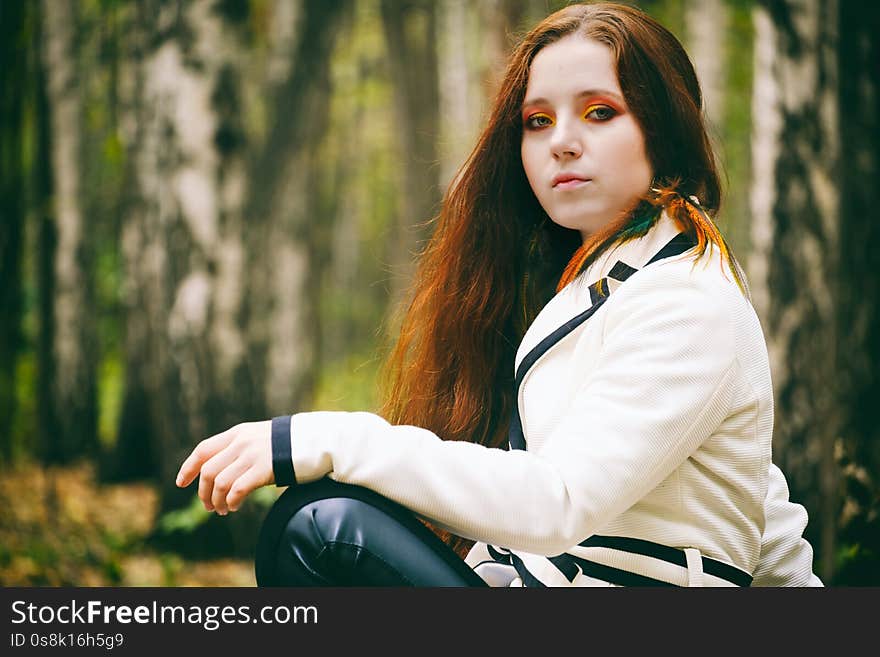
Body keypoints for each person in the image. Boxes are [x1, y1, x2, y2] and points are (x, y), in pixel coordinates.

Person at [176, 1, 821, 587]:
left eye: (600, 112)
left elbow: (557, 501)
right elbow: (759, 503)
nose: (562, 140)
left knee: (320, 529)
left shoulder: (685, 302)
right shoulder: (603, 281)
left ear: (666, 124)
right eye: (537, 121)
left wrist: (334, 439)